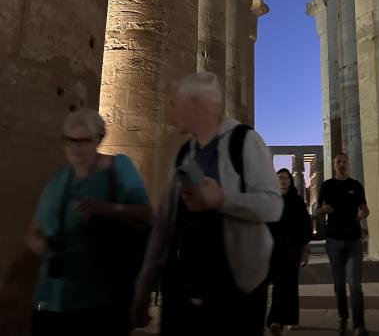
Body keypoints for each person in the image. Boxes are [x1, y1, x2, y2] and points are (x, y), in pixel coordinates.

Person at [132, 72, 283, 336]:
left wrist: (223, 199)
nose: (170, 109)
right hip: (184, 286)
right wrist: (144, 286)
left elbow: (273, 206)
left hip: (235, 290)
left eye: (175, 102)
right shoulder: (184, 152)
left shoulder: (244, 142)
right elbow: (163, 225)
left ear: (196, 104)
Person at [1, 108, 152, 336]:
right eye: (69, 141)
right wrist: (46, 245)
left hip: (103, 300)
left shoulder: (119, 168)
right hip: (53, 297)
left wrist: (107, 209)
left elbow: (146, 214)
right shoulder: (60, 178)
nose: (75, 148)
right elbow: (33, 232)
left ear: (99, 139)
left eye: (83, 141)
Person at [318, 152, 369, 336]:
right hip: (334, 241)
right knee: (339, 284)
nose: (341, 164)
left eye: (344, 161)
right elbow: (318, 211)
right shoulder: (327, 185)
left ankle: (359, 325)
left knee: (355, 283)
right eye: (338, 162)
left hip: (354, 241)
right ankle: (343, 316)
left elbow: (365, 209)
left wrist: (362, 214)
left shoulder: (355, 185)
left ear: (348, 164)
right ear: (334, 165)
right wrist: (323, 210)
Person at [267, 168, 312, 335]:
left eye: (286, 178)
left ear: (290, 181)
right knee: (279, 285)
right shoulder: (272, 200)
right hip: (276, 250)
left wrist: (305, 248)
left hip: (293, 250)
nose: (283, 180)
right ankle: (275, 320)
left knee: (291, 285)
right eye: (280, 178)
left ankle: (292, 318)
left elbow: (305, 226)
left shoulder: (298, 201)